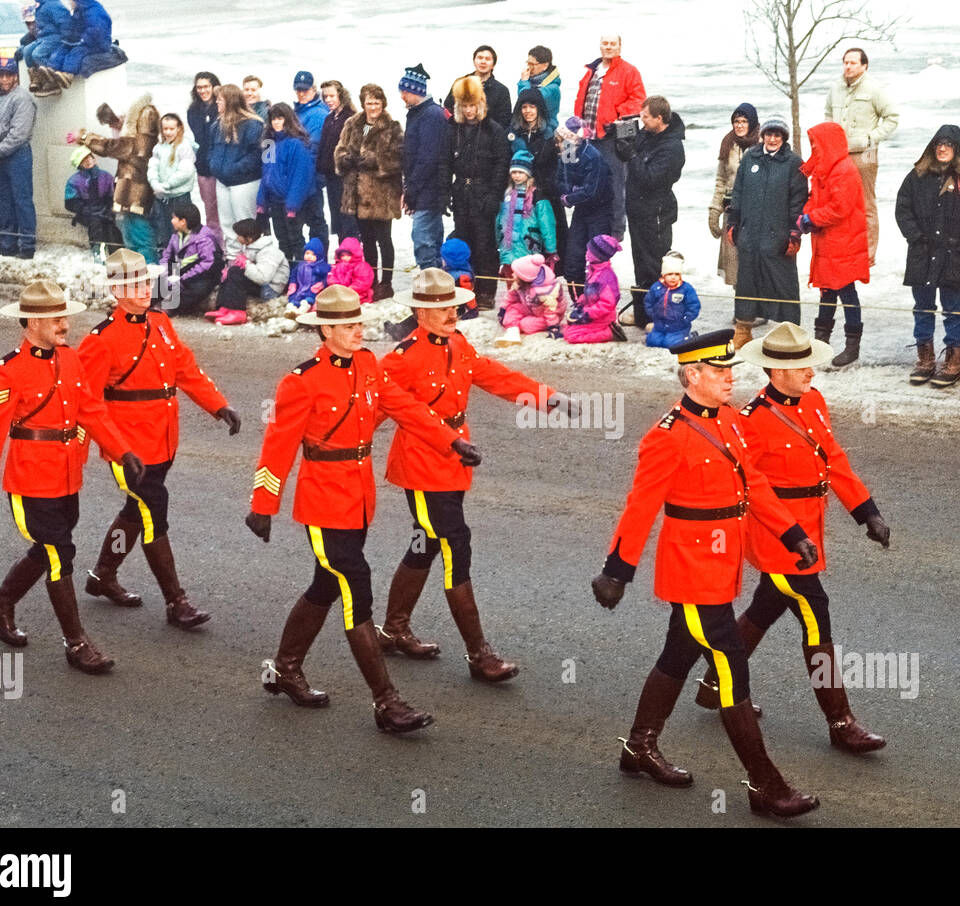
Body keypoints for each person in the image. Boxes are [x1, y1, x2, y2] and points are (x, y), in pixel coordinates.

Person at [590, 328, 820, 820]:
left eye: (731, 370)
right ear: (692, 375)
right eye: (720, 372)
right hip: (691, 571)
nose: (730, 379)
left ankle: (638, 748)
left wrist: (791, 533)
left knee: (678, 654)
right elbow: (640, 508)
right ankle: (766, 785)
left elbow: (753, 483)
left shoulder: (731, 421)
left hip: (722, 564)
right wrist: (617, 571)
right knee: (732, 669)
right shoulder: (666, 436)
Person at [247, 285, 479, 730]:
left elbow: (406, 409)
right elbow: (277, 447)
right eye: (350, 326)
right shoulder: (300, 381)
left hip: (358, 497)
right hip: (322, 501)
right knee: (356, 588)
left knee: (324, 585)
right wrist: (263, 504)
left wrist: (452, 442)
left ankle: (284, 667)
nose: (359, 331)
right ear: (327, 330)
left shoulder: (369, 365)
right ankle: (386, 701)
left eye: (360, 323)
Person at [691, 322, 890, 754]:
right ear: (776, 372)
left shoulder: (814, 401)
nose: (811, 373)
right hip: (778, 538)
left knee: (765, 609)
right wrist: (786, 532)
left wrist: (866, 512)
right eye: (802, 368)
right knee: (816, 618)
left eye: (810, 365)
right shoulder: (753, 420)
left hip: (810, 526)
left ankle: (712, 683)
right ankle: (840, 721)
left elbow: (833, 459)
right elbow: (748, 486)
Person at [376, 269, 574, 676]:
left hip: (453, 460)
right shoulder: (401, 359)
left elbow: (493, 375)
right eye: (441, 307)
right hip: (422, 465)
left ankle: (394, 629)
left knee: (424, 543)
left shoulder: (457, 342)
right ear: (419, 312)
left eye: (453, 304)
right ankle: (479, 654)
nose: (452, 312)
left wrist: (548, 397)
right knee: (455, 546)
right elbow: (371, 409)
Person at [0, 280, 143, 673]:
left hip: (65, 477)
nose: (64, 324)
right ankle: (77, 643)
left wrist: (122, 450)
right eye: (55, 318)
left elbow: (91, 411)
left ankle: (0, 604)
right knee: (60, 557)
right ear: (31, 323)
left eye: (65, 316)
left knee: (50, 549)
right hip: (29, 482)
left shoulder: (70, 359)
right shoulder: (6, 372)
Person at [77, 249, 239, 628]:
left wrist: (218, 406)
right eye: (133, 284)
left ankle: (103, 574)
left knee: (137, 512)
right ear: (115, 290)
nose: (143, 289)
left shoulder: (161, 322)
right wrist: (118, 449)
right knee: (154, 515)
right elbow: (87, 404)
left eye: (145, 281)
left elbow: (186, 369)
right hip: (129, 448)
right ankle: (176, 602)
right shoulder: (101, 339)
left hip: (163, 441)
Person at [895, 124, 960, 387]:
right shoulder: (916, 176)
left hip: (953, 256)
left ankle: (954, 360)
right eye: (939, 144)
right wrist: (915, 237)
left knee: (952, 308)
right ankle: (925, 359)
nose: (943, 148)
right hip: (921, 254)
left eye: (948, 144)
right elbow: (903, 210)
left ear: (957, 149)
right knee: (922, 308)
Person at [725, 114, 808, 347]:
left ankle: (790, 332)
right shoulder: (751, 157)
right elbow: (737, 193)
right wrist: (733, 223)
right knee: (746, 282)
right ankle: (743, 329)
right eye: (769, 134)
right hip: (750, 235)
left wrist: (794, 233)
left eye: (777, 135)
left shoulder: (793, 163)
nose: (772, 139)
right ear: (762, 136)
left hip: (778, 237)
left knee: (784, 284)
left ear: (783, 137)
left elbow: (798, 201)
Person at [799, 121, 869, 366]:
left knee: (847, 293)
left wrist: (812, 218)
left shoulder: (844, 170)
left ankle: (852, 347)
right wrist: (807, 215)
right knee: (827, 291)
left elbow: (840, 209)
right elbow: (814, 199)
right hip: (828, 241)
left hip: (844, 242)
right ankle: (821, 343)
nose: (814, 148)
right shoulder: (825, 168)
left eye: (817, 143)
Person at [824, 48, 899, 265]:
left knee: (865, 203)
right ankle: (845, 248)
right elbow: (828, 114)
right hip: (839, 154)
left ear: (864, 66)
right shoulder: (835, 88)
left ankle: (867, 254)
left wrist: (871, 138)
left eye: (853, 63)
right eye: (846, 62)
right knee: (840, 201)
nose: (848, 66)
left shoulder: (875, 89)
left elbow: (892, 118)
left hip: (865, 154)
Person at [617, 95, 685, 328]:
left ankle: (661, 317)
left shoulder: (673, 147)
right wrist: (622, 142)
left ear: (659, 118)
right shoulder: (648, 135)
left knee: (656, 264)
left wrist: (632, 156)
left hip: (656, 212)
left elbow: (650, 179)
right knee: (640, 263)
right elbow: (630, 156)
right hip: (637, 209)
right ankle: (643, 313)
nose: (642, 121)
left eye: (646, 117)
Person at [573, 34, 645, 240]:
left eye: (613, 44)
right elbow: (581, 100)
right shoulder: (592, 70)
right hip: (588, 137)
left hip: (612, 138)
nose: (608, 47)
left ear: (620, 46)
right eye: (605, 43)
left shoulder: (629, 71)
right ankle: (590, 226)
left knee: (615, 184)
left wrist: (617, 115)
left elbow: (639, 100)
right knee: (587, 182)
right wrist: (577, 124)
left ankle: (616, 232)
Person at [333, 83, 402, 301]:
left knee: (385, 239)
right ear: (363, 103)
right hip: (358, 193)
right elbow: (340, 149)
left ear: (383, 103)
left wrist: (377, 161)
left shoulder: (392, 127)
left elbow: (399, 157)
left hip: (382, 194)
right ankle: (370, 280)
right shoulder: (355, 124)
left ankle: (387, 283)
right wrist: (345, 159)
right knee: (368, 240)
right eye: (369, 102)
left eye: (377, 102)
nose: (373, 107)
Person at [75, 94, 160, 263]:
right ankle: (135, 269)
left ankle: (149, 269)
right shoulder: (134, 128)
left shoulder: (142, 129)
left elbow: (115, 147)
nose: (114, 125)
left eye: (115, 120)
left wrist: (86, 138)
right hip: (129, 191)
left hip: (138, 192)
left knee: (141, 235)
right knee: (130, 234)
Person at [448, 75, 508, 309]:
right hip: (461, 190)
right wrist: (446, 192)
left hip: (484, 191)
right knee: (463, 241)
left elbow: (502, 164)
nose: (469, 110)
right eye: (465, 106)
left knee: (485, 244)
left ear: (480, 104)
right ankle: (466, 287)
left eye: (472, 105)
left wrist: (494, 194)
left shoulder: (493, 130)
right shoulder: (455, 129)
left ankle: (487, 291)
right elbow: (445, 161)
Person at [0, 59, 37, 259]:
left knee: (22, 200)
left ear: (15, 76)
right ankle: (7, 242)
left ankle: (27, 245)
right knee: (1, 200)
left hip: (17, 155)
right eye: (0, 74)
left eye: (8, 75)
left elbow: (19, 133)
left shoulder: (22, 99)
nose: (4, 79)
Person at [400, 64, 450, 271]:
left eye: (405, 91)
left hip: (430, 188)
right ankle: (436, 278)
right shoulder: (417, 112)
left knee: (423, 238)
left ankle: (431, 279)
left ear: (416, 91)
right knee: (431, 236)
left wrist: (411, 189)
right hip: (422, 187)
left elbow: (428, 158)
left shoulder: (431, 115)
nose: (402, 96)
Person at [507, 87, 565, 263]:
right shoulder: (512, 134)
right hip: (520, 193)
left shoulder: (551, 134)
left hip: (545, 194)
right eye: (524, 107)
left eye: (532, 107)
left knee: (550, 240)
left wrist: (544, 188)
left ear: (539, 108)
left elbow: (560, 167)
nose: (528, 111)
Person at [208, 85, 265, 259]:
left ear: (230, 101)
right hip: (222, 180)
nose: (216, 102)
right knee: (226, 223)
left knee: (245, 222)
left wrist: (235, 168)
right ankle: (232, 261)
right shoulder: (217, 124)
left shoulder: (253, 124)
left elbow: (257, 155)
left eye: (220, 99)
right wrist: (213, 164)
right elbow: (210, 149)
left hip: (244, 182)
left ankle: (251, 260)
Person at [256, 102, 317, 263]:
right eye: (273, 119)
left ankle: (300, 274)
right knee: (282, 240)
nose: (276, 122)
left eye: (280, 118)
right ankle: (287, 273)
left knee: (295, 239)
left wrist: (292, 205)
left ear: (287, 119)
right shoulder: (269, 144)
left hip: (290, 203)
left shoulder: (296, 144)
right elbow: (266, 174)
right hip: (275, 201)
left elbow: (301, 177)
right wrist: (261, 201)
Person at [556, 117, 613, 288]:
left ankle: (599, 302)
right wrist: (570, 191)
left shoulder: (592, 156)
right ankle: (579, 302)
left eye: (560, 140)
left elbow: (592, 191)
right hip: (581, 211)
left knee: (597, 260)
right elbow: (561, 179)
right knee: (572, 262)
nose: (557, 144)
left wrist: (569, 198)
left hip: (600, 212)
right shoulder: (568, 152)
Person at [709, 103, 759, 292]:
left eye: (744, 121)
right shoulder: (727, 143)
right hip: (731, 211)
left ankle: (755, 308)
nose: (739, 125)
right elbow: (721, 180)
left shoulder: (761, 144)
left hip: (754, 212)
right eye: (736, 121)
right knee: (734, 263)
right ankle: (741, 307)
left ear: (751, 122)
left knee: (752, 263)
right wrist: (714, 210)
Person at [208, 218, 288, 325]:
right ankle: (224, 308)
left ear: (249, 238)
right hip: (262, 283)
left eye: (239, 235)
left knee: (236, 274)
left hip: (270, 289)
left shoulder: (269, 251)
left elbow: (263, 278)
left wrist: (246, 264)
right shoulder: (252, 247)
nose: (237, 238)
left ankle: (238, 312)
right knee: (232, 271)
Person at [495, 149, 557, 270]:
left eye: (520, 172)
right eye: (514, 172)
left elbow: (547, 224)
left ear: (528, 173)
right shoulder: (507, 194)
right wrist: (498, 240)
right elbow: (499, 220)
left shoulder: (536, 195)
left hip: (528, 248)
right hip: (508, 249)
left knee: (529, 283)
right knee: (512, 284)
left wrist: (551, 249)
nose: (516, 176)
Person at [290, 71, 330, 250]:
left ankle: (318, 263)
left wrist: (305, 179)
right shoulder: (297, 112)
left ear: (314, 89)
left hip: (311, 179)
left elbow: (313, 149)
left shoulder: (318, 114)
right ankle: (301, 265)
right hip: (298, 179)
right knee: (296, 224)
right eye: (298, 89)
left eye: (305, 90)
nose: (301, 93)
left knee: (316, 222)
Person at [160, 200, 222, 314]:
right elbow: (167, 255)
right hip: (179, 270)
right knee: (159, 282)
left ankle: (170, 308)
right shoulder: (176, 235)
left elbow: (207, 264)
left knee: (195, 290)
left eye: (174, 218)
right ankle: (149, 306)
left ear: (183, 221)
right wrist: (165, 271)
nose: (172, 221)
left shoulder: (204, 239)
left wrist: (183, 278)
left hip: (201, 275)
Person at [147, 112, 196, 252]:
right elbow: (152, 167)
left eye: (171, 129)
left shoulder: (184, 146)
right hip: (162, 197)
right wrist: (155, 184)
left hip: (179, 198)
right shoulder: (158, 147)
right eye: (165, 129)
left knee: (181, 235)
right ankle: (168, 267)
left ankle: (182, 268)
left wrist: (166, 185)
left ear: (179, 128)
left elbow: (185, 172)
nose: (168, 132)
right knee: (165, 234)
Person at [316, 80, 357, 243]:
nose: (328, 100)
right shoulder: (329, 118)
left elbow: (359, 143)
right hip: (330, 176)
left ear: (341, 95)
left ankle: (352, 256)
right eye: (325, 97)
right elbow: (324, 147)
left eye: (332, 96)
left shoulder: (352, 117)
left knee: (349, 221)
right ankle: (342, 258)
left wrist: (346, 164)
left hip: (346, 177)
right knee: (338, 222)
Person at [564, 233, 624, 344]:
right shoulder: (594, 270)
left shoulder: (606, 277)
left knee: (572, 336)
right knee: (567, 328)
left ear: (598, 255)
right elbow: (593, 293)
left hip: (601, 317)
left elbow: (607, 304)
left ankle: (609, 333)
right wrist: (583, 300)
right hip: (593, 313)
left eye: (589, 251)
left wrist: (587, 313)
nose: (586, 253)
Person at [64, 145, 123, 256]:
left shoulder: (105, 176)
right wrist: (84, 209)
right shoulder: (75, 181)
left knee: (111, 229)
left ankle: (117, 255)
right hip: (87, 212)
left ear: (94, 158)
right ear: (79, 164)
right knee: (96, 227)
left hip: (104, 210)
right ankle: (99, 254)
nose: (88, 161)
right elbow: (70, 202)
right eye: (83, 160)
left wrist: (109, 210)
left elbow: (112, 196)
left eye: (89, 157)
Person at [498, 253, 569, 342]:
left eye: (515, 273)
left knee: (525, 325)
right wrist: (503, 309)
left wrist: (553, 327)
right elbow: (511, 296)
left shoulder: (545, 291)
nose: (512, 275)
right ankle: (513, 332)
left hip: (545, 315)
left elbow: (551, 310)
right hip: (530, 308)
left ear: (524, 277)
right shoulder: (519, 283)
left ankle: (516, 326)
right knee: (512, 309)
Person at [48, 0, 126, 81]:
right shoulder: (80, 11)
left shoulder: (94, 11)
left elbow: (97, 30)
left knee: (77, 52)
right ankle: (52, 70)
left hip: (98, 44)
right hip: (85, 41)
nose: (69, 3)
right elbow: (76, 28)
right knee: (63, 49)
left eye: (71, 1)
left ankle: (68, 73)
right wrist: (70, 38)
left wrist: (83, 40)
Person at [186, 72, 222, 241]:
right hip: (204, 167)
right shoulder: (193, 111)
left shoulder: (223, 107)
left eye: (206, 86)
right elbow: (200, 136)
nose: (202, 90)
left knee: (227, 212)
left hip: (223, 167)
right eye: (199, 87)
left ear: (214, 87)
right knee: (211, 211)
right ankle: (216, 250)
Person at [444, 45, 512, 129]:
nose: (483, 61)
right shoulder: (461, 83)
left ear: (493, 65)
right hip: (461, 134)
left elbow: (504, 121)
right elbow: (448, 108)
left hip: (489, 136)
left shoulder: (502, 91)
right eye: (480, 58)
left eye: (487, 59)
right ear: (474, 61)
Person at [643, 251, 699, 348]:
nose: (673, 277)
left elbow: (694, 306)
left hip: (678, 327)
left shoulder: (686, 289)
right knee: (652, 342)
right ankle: (654, 334)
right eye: (669, 274)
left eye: (676, 274)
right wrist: (653, 314)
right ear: (663, 274)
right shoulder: (657, 287)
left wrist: (685, 319)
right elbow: (649, 302)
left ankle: (690, 337)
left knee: (671, 344)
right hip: (660, 325)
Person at [284, 239, 329, 318]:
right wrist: (293, 284)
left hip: (312, 290)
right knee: (293, 298)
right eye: (307, 253)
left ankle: (303, 310)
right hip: (300, 289)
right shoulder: (300, 265)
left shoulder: (321, 266)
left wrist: (321, 284)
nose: (309, 256)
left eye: (312, 255)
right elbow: (293, 275)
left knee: (308, 299)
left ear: (318, 256)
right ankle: (291, 308)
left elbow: (326, 278)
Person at [518, 45, 560, 128]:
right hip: (528, 127)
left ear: (545, 65)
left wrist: (523, 82)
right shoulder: (531, 81)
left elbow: (528, 98)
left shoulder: (552, 87)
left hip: (545, 130)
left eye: (532, 64)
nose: (529, 68)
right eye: (528, 63)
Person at [326, 237, 374, 305]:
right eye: (342, 255)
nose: (345, 258)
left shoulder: (361, 266)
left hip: (357, 293)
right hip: (339, 292)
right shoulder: (338, 266)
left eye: (348, 255)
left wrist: (349, 290)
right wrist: (336, 286)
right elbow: (332, 276)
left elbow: (362, 282)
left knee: (347, 303)